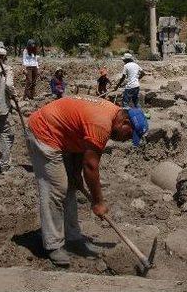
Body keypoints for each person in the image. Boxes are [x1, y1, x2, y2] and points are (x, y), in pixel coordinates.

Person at [26, 95, 149, 266]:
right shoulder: (101, 125)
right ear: (125, 123)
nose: (125, 141)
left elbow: (81, 142)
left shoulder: (111, 114)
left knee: (69, 186)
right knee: (56, 189)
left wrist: (76, 174)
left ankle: (73, 238)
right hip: (44, 132)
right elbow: (91, 166)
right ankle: (53, 245)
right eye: (129, 136)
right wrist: (98, 202)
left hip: (64, 135)